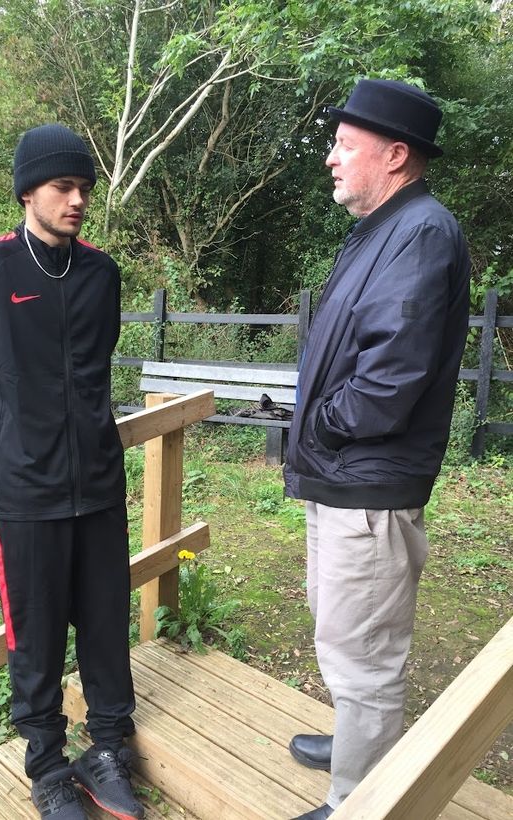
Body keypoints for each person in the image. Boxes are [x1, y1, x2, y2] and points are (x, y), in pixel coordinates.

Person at [0, 124, 145, 820]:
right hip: (24, 495)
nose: (79, 199)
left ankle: (110, 746)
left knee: (104, 622)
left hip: (97, 485)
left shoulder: (101, 274)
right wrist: (16, 445)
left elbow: (94, 377)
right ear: (28, 191)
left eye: (85, 188)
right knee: (32, 635)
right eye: (64, 187)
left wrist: (82, 442)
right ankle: (48, 769)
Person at [283, 79, 470, 819]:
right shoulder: (379, 230)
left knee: (364, 651)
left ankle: (360, 799)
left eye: (343, 145)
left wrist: (319, 425)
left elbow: (388, 381)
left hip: (366, 479)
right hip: (341, 475)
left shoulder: (420, 232)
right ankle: (358, 739)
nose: (330, 158)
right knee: (339, 628)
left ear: (394, 156)